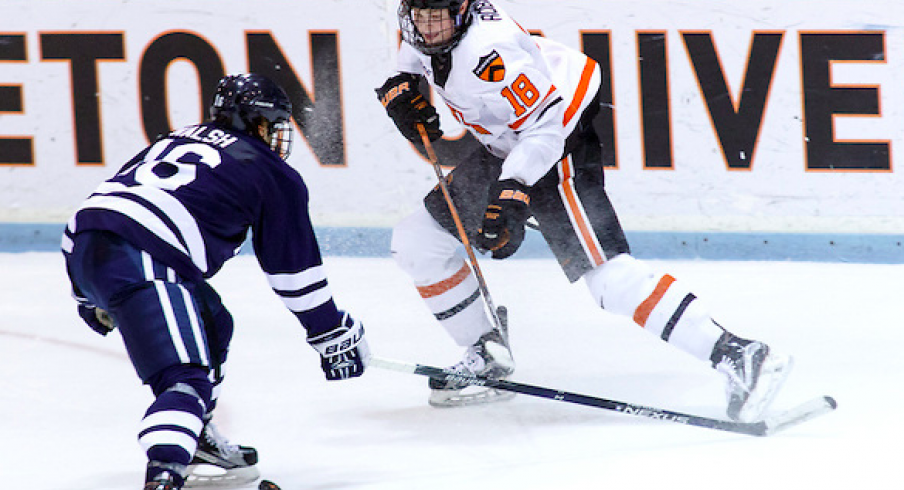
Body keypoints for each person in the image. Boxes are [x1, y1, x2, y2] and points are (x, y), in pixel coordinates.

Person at [376, 0, 791, 421]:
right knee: (418, 243)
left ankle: (741, 355)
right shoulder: (433, 29)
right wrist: (401, 86)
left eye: (438, 16)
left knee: (607, 278)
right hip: (508, 143)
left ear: (462, 12)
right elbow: (414, 59)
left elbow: (546, 128)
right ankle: (487, 353)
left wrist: (514, 188)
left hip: (558, 144)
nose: (428, 27)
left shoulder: (489, 53)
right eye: (419, 15)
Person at [63, 73, 370, 490]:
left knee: (213, 321)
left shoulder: (176, 138)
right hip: (148, 261)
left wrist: (86, 295)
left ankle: (198, 435)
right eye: (274, 124)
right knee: (183, 380)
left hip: (84, 245)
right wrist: (331, 332)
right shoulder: (270, 172)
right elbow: (293, 273)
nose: (277, 135)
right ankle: (165, 472)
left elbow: (101, 207)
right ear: (258, 124)